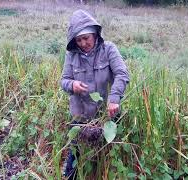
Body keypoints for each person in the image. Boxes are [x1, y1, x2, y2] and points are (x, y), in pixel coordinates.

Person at [60, 9, 130, 179]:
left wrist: (114, 99)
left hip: (105, 115)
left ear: (95, 34)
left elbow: (122, 74)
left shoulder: (108, 49)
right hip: (80, 117)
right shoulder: (71, 55)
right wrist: (72, 84)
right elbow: (64, 81)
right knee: (75, 156)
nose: (83, 43)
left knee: (106, 155)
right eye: (79, 40)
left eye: (86, 38)